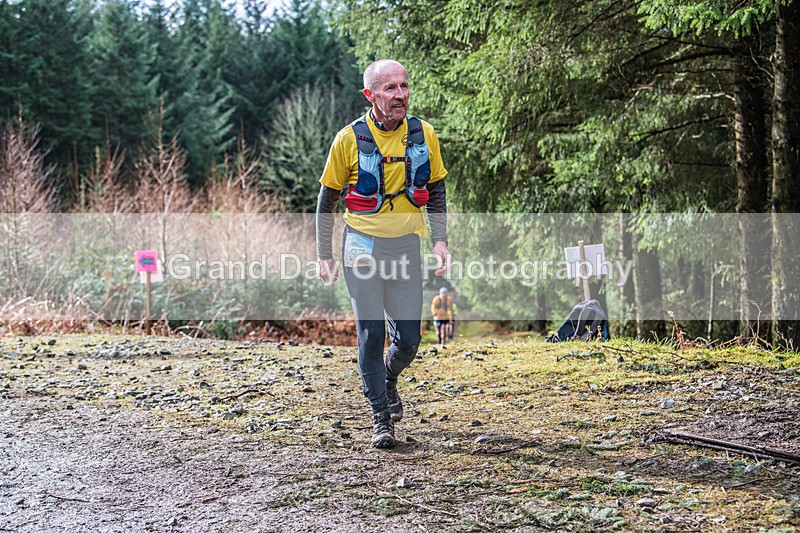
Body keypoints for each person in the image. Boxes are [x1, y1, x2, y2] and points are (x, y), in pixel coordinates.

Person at [316, 59, 450, 449]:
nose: (400, 95)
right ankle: (380, 417)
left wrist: (440, 241)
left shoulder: (424, 133)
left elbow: (437, 190)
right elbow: (327, 200)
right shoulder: (347, 139)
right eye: (390, 88)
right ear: (370, 95)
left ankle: (389, 377)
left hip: (407, 245)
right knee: (371, 334)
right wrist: (324, 252)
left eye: (404, 86)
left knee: (408, 339)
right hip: (361, 247)